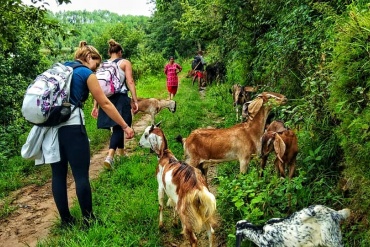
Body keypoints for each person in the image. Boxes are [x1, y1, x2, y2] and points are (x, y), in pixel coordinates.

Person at [51, 41, 134, 227]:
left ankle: (66, 221)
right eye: (96, 65)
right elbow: (105, 103)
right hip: (72, 127)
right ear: (88, 57)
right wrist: (125, 126)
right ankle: (89, 220)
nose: (96, 70)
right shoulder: (86, 73)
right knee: (81, 175)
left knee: (58, 174)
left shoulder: (60, 68)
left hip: (50, 128)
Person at [91, 39, 139, 169]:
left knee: (117, 127)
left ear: (109, 52)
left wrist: (95, 105)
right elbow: (130, 81)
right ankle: (110, 156)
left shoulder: (102, 64)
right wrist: (135, 100)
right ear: (120, 52)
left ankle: (122, 154)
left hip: (106, 99)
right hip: (120, 97)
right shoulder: (125, 63)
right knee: (120, 126)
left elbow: (98, 87)